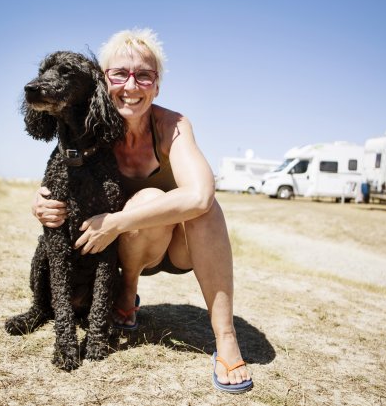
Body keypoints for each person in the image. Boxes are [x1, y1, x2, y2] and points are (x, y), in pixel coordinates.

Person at [32, 28, 253, 393]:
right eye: (119, 74)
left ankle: (226, 338)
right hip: (125, 252)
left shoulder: (172, 125)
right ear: (103, 82)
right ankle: (125, 298)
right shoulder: (91, 124)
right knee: (148, 203)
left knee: (206, 209)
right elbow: (59, 173)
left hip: (175, 247)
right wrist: (39, 201)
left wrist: (116, 222)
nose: (131, 85)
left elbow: (199, 195)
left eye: (144, 75)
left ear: (157, 86)